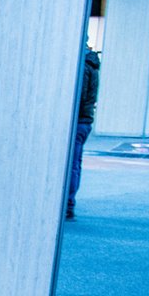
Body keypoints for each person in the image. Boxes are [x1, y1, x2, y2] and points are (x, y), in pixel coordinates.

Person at [67, 46, 99, 221]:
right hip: (85, 121)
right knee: (75, 164)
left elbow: (79, 97)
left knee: (71, 164)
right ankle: (69, 203)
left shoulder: (84, 66)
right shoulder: (91, 64)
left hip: (78, 121)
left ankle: (68, 205)